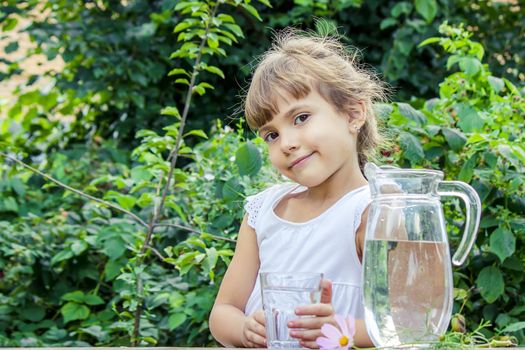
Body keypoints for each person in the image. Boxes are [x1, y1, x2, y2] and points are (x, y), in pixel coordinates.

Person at [209, 28, 387, 349]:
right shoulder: (264, 211)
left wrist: (339, 330)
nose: (287, 143)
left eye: (301, 117)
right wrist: (246, 329)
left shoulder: (372, 211)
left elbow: (403, 324)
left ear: (353, 113)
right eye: (271, 135)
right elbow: (223, 312)